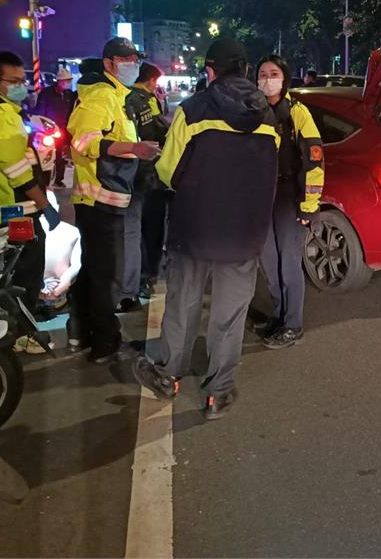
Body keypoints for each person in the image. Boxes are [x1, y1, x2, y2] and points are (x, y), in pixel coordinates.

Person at [133, 38, 279, 420]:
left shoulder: (193, 110)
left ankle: (167, 374)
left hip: (194, 227)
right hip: (245, 231)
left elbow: (167, 170)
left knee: (183, 304)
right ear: (246, 70)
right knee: (230, 313)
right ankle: (219, 392)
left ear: (211, 71)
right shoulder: (270, 118)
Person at [67, 38, 159, 363]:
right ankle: (105, 344)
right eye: (127, 59)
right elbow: (82, 142)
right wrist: (134, 149)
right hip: (98, 201)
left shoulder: (119, 97)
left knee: (96, 270)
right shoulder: (101, 97)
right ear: (109, 64)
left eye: (135, 59)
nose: (133, 64)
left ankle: (83, 333)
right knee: (107, 276)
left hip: (109, 198)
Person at [0, 51, 60, 343]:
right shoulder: (2, 117)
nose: (22, 86)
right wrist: (46, 208)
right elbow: (18, 173)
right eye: (14, 81)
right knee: (26, 277)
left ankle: (2, 333)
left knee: (2, 276)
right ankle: (22, 337)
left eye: (23, 79)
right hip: (17, 212)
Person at [253, 55, 324, 349]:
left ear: (284, 78)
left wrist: (309, 205)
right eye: (262, 74)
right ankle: (279, 315)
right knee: (269, 261)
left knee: (289, 263)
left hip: (287, 196)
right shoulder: (252, 112)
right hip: (260, 197)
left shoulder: (298, 113)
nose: (267, 79)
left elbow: (314, 161)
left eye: (273, 73)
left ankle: (293, 324)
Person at [126, 61, 172, 299]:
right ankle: (147, 275)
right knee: (150, 228)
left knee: (137, 230)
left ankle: (141, 276)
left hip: (133, 174)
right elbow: (158, 130)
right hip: (148, 174)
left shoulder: (127, 97)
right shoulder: (143, 100)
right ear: (152, 80)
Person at [35, 67, 76, 188]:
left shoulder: (69, 95)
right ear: (59, 81)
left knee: (60, 155)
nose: (67, 83)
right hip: (48, 130)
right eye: (65, 81)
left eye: (69, 81)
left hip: (63, 130)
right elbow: (40, 111)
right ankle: (43, 178)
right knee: (45, 155)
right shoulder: (46, 93)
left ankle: (59, 179)